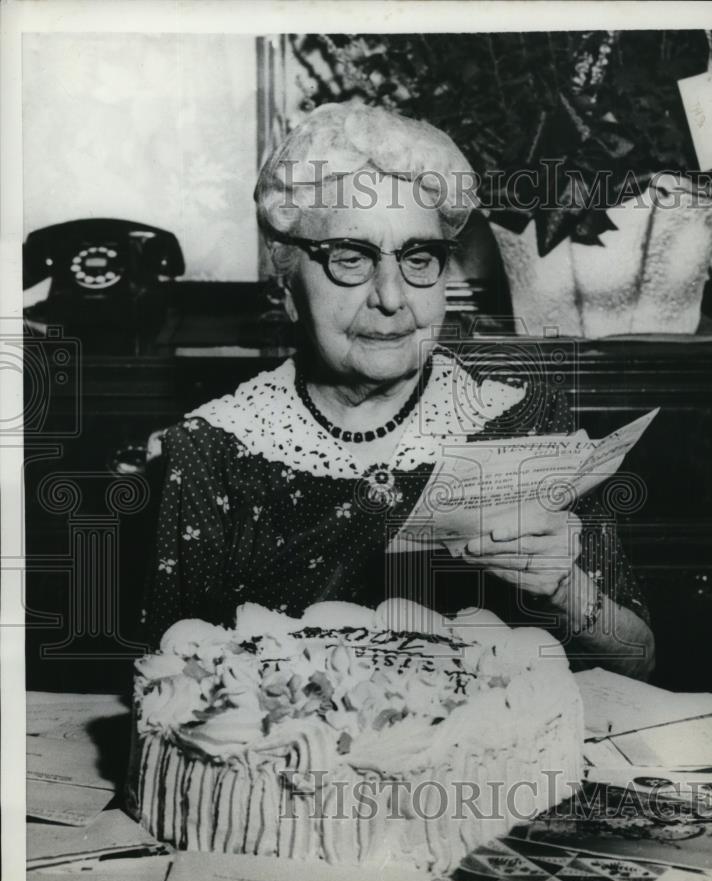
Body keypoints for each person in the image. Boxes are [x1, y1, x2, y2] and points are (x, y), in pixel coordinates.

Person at [140, 101, 654, 680]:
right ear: (286, 285)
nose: (391, 296)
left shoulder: (523, 421)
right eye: (350, 257)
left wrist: (566, 586)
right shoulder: (212, 453)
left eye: (418, 257)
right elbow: (176, 696)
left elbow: (640, 659)